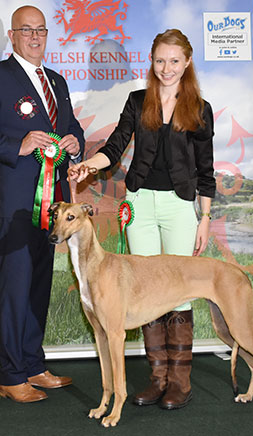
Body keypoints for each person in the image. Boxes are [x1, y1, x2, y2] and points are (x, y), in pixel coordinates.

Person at [69, 29, 215, 410]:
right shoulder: (138, 101)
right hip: (140, 206)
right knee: (144, 294)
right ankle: (157, 380)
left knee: (178, 294)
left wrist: (204, 218)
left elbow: (206, 169)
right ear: (151, 62)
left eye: (174, 61)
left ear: (186, 63)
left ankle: (179, 383)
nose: (166, 68)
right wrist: (89, 164)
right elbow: (115, 147)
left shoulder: (200, 108)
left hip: (181, 206)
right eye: (159, 60)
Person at [0, 6, 85, 403]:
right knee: (13, 288)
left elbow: (71, 127)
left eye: (41, 31)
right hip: (14, 203)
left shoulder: (57, 80)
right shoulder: (0, 77)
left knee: (38, 286)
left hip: (53, 208)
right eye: (26, 30)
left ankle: (34, 364)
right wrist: (17, 146)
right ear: (12, 35)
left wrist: (74, 143)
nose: (35, 37)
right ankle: (10, 372)